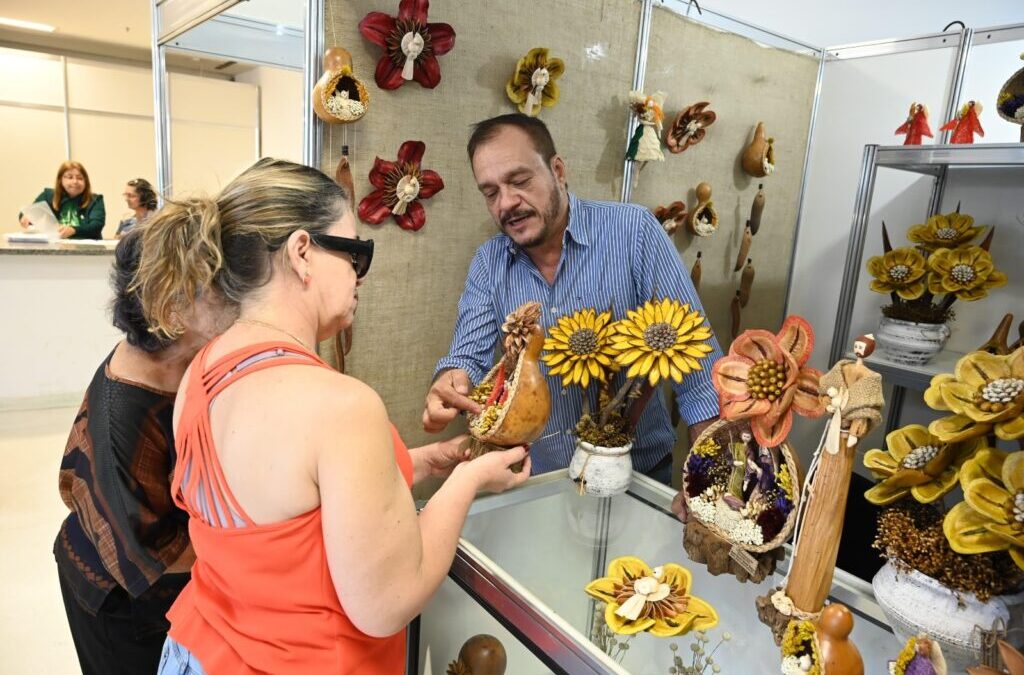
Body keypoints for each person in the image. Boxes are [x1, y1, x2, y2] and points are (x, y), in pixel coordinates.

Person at [131, 158, 529, 675]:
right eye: (356, 254)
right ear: (302, 252)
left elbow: (283, 502)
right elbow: (387, 602)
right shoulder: (342, 406)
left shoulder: (201, 373)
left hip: (201, 653)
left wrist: (421, 463)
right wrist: (469, 480)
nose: (360, 276)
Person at [422, 114, 723, 485]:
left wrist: (707, 479)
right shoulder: (489, 262)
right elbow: (467, 357)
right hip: (540, 481)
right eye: (490, 192)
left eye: (519, 181)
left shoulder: (634, 233)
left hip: (637, 474)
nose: (507, 203)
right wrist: (450, 381)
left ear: (558, 170)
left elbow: (698, 367)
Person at [54, 229, 236, 675]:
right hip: (121, 602)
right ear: (169, 308)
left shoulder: (172, 359)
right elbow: (160, 559)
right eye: (219, 286)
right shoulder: (127, 417)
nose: (237, 295)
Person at [19, 160, 106, 239]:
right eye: (70, 177)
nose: (75, 182)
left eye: (80, 178)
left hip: (86, 251)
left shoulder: (95, 200)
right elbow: (27, 213)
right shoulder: (48, 195)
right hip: (54, 249)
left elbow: (96, 226)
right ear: (60, 180)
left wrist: (74, 230)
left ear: (86, 182)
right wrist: (26, 216)